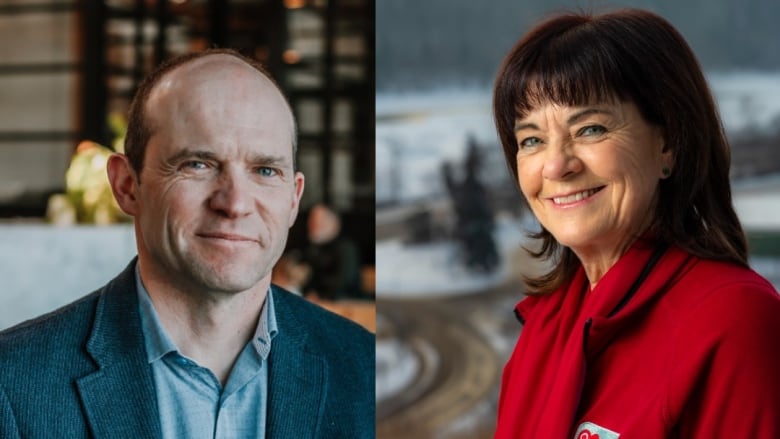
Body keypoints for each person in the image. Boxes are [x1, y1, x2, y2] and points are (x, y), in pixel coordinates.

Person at [0, 49, 374, 438]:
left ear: (294, 198)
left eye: (265, 170)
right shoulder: (12, 386)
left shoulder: (368, 371)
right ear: (127, 186)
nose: (235, 203)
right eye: (198, 164)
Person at [492, 9, 780, 439]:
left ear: (668, 144)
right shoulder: (546, 327)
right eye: (531, 140)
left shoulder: (732, 321)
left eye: (590, 129)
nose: (555, 165)